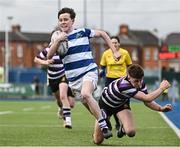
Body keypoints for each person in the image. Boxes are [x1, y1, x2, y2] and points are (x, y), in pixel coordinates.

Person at [47, 7, 121, 139]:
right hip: (73, 80)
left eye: (66, 19)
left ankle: (104, 127)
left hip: (89, 71)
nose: (63, 22)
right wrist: (58, 41)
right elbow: (49, 56)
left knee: (86, 94)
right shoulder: (57, 38)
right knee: (92, 109)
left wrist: (114, 51)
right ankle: (103, 118)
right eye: (60, 20)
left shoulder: (82, 32)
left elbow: (103, 34)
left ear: (72, 21)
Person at [93, 64, 173, 145]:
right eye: (136, 81)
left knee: (131, 132)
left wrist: (160, 108)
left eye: (140, 80)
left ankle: (122, 128)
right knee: (98, 141)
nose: (138, 84)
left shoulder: (140, 83)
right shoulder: (124, 85)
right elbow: (147, 98)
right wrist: (162, 88)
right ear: (129, 77)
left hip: (121, 104)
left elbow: (147, 101)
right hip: (105, 106)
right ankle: (103, 118)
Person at [34, 47, 75, 129]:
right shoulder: (48, 50)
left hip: (63, 75)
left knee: (70, 103)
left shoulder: (65, 49)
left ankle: (67, 120)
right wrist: (45, 62)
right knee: (59, 100)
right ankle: (61, 108)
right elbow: (36, 59)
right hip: (52, 79)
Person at [99, 36, 132, 130]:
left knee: (124, 100)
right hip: (109, 80)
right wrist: (101, 73)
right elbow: (102, 66)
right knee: (111, 102)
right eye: (112, 42)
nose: (114, 44)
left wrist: (130, 77)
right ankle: (117, 123)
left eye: (116, 42)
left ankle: (124, 122)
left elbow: (130, 66)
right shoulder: (106, 53)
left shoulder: (125, 53)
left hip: (122, 80)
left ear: (119, 43)